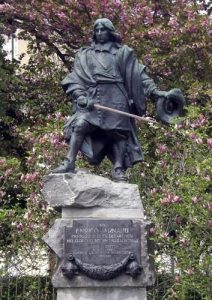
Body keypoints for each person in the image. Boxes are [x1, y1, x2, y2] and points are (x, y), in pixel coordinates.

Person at [52, 18, 178, 181]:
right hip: (94, 97)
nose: (99, 33)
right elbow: (75, 79)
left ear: (110, 32)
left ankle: (118, 168)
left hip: (117, 96)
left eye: (102, 30)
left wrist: (155, 92)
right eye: (96, 31)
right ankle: (69, 161)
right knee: (80, 124)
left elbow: (139, 76)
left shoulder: (122, 53)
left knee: (119, 133)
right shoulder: (85, 54)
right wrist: (80, 96)